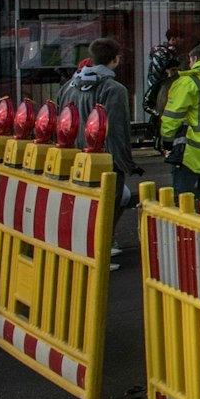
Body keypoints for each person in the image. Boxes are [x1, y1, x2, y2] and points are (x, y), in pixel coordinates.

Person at [58, 38, 138, 268]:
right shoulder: (114, 89)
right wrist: (125, 163)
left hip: (74, 156)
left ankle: (98, 244)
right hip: (103, 159)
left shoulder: (69, 86)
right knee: (107, 203)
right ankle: (98, 251)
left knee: (100, 201)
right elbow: (117, 129)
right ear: (115, 59)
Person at [158, 43, 200, 201]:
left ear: (195, 59)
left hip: (190, 152)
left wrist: (167, 142)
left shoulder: (189, 82)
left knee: (183, 201)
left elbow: (172, 117)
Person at [143, 28, 188, 126]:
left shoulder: (174, 53)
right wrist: (158, 89)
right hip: (163, 90)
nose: (183, 42)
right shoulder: (162, 54)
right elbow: (155, 76)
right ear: (173, 39)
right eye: (181, 38)